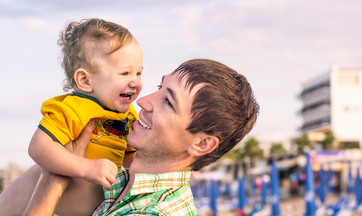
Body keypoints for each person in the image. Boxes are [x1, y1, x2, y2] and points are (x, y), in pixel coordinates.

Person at [23, 58, 259, 216]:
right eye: (159, 86)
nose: (143, 101)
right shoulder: (118, 182)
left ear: (202, 143)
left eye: (168, 102)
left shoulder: (155, 212)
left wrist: (52, 182)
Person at [0, 18, 143, 215]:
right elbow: (39, 148)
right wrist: (86, 168)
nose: (135, 82)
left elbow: (131, 160)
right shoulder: (73, 109)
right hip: (57, 208)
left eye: (139, 73)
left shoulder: (127, 115)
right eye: (125, 73)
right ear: (84, 80)